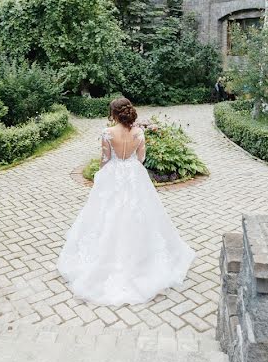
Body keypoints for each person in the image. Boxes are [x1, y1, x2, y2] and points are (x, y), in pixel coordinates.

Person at [57, 98, 195, 305]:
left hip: (113, 174)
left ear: (113, 114)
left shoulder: (107, 133)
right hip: (133, 175)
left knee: (106, 213)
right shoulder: (139, 133)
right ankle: (141, 259)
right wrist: (129, 167)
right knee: (139, 214)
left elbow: (104, 159)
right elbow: (141, 159)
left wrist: (107, 171)